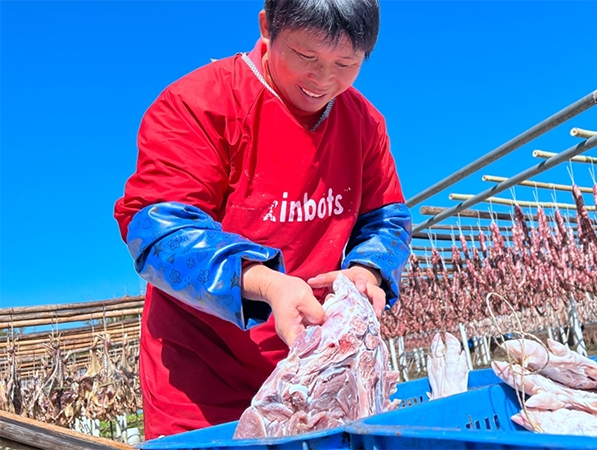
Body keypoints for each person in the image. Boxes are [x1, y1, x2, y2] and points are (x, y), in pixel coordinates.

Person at [113, 0, 411, 439]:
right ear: (267, 26)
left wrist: (368, 269)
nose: (323, 80)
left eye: (346, 64)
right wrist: (268, 284)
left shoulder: (364, 124)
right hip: (201, 379)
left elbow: (386, 219)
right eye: (306, 57)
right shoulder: (200, 104)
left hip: (315, 371)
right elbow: (158, 231)